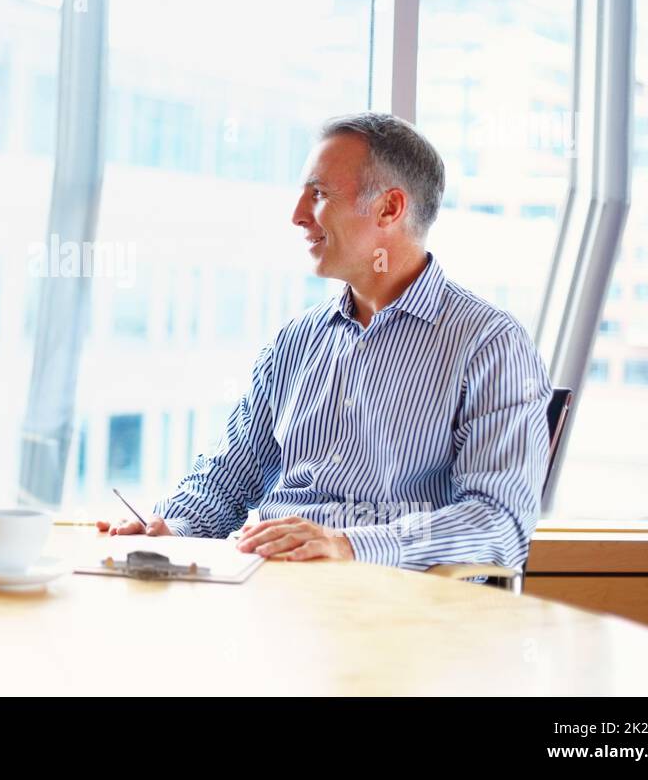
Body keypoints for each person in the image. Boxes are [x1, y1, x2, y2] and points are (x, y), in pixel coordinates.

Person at [100, 112, 550, 570]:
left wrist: (348, 545)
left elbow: (500, 523)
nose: (297, 216)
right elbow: (228, 480)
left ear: (389, 209)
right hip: (269, 589)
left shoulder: (491, 345)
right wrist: (170, 528)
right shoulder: (296, 340)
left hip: (391, 612)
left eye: (318, 195)